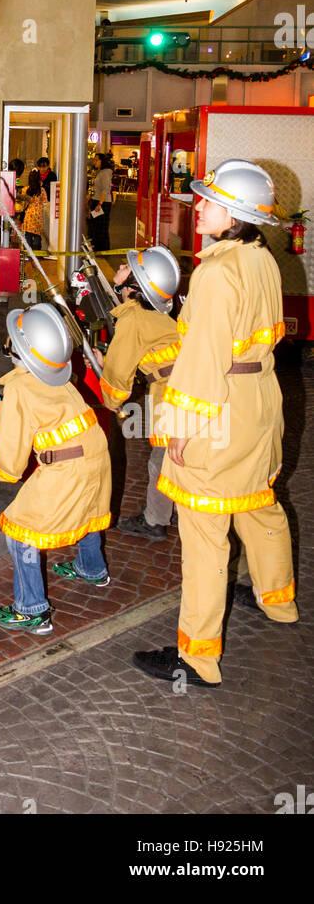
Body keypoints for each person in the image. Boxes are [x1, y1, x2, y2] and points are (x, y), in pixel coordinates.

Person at [134, 160, 299, 688]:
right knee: (258, 502)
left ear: (232, 215)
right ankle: (278, 600)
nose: (196, 207)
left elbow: (203, 361)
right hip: (258, 404)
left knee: (205, 536)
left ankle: (197, 659)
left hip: (217, 409)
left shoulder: (215, 273)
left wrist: (179, 426)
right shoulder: (262, 260)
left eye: (206, 201)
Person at [0, 303, 112, 634]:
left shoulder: (19, 389)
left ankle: (32, 611)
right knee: (89, 510)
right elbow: (40, 417)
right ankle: (92, 568)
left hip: (66, 468)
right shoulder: (56, 376)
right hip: (95, 456)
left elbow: (9, 466)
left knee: (19, 531)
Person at [98, 245, 181, 540]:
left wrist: (109, 400)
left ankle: (156, 522)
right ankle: (165, 515)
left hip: (175, 394)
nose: (118, 268)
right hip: (181, 387)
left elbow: (118, 377)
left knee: (164, 459)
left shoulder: (133, 318)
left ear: (134, 285)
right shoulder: (146, 314)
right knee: (170, 457)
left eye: (124, 267)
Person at [88, 152, 114, 252]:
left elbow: (105, 189)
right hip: (97, 201)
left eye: (96, 160)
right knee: (95, 225)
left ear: (102, 161)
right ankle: (97, 246)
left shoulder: (105, 172)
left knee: (100, 226)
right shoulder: (100, 172)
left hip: (102, 203)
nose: (94, 162)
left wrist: (100, 204)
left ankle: (102, 248)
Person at [21, 168, 47, 251]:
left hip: (29, 214)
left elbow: (23, 204)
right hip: (38, 215)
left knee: (28, 235)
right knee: (37, 235)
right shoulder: (42, 190)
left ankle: (27, 253)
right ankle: (37, 254)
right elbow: (45, 203)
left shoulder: (25, 190)